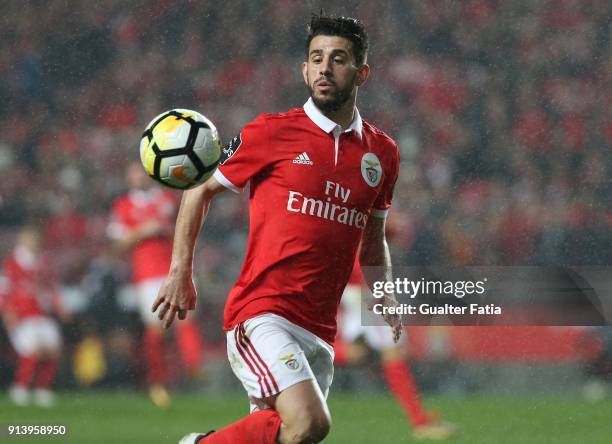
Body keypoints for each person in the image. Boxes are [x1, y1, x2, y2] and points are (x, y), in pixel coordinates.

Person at [154, 14, 402, 444]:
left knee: (289, 434)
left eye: (338, 59)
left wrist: (383, 291)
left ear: (361, 72)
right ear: (304, 70)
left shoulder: (383, 154)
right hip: (262, 313)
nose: (325, 68)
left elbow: (373, 241)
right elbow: (197, 191)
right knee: (311, 421)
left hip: (320, 328)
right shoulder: (272, 131)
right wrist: (180, 271)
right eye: (316, 58)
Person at [108, 162, 204, 407]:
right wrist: (144, 230)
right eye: (133, 174)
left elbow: (187, 225)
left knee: (187, 321)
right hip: (147, 274)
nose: (137, 178)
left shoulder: (166, 198)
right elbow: (118, 244)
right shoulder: (123, 206)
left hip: (175, 268)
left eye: (140, 173)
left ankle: (194, 370)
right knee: (157, 330)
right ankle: (158, 382)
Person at [337, 260, 457, 440]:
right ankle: (420, 422)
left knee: (360, 352)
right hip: (360, 285)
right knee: (392, 349)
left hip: (357, 282)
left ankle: (420, 418)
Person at [1, 225, 63, 407]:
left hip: (41, 315)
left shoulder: (43, 263)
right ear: (21, 241)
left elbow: (50, 288)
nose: (33, 242)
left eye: (35, 239)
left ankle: (42, 390)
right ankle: (20, 388)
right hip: (23, 316)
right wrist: (8, 314)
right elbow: (4, 291)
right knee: (32, 351)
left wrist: (59, 305)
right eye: (29, 239)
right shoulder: (11, 264)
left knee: (52, 349)